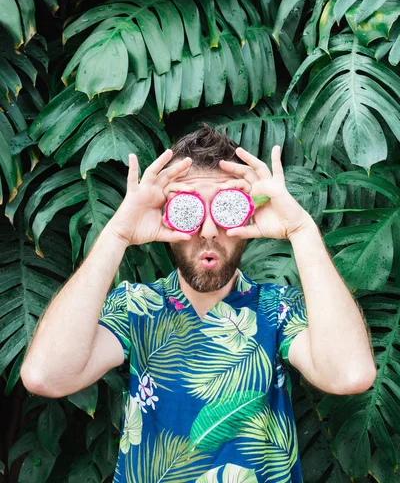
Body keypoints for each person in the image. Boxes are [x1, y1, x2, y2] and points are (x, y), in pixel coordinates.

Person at [21, 125, 376, 483]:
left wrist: (300, 229)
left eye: (226, 207)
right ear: (165, 212)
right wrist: (117, 233)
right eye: (188, 208)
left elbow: (350, 374)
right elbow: (45, 376)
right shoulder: (137, 307)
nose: (207, 230)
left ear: (248, 213)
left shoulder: (277, 310)